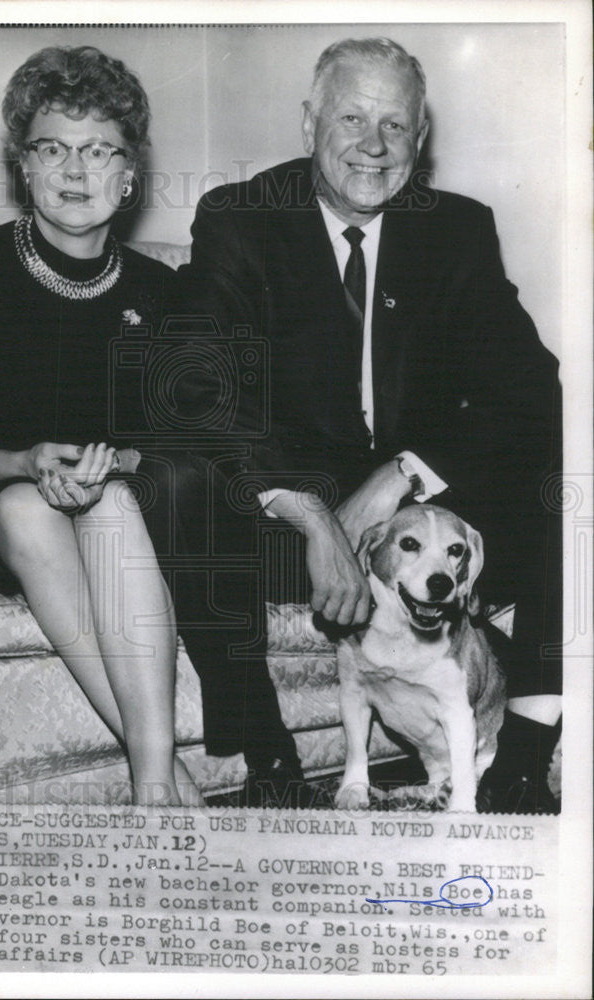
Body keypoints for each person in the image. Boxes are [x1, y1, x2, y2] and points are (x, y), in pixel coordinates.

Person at [163, 37, 561, 811]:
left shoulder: (456, 229)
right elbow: (197, 388)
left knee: (566, 482)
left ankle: (517, 759)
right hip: (293, 525)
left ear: (420, 138)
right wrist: (311, 516)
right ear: (309, 121)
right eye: (351, 118)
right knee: (176, 483)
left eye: (396, 127)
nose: (373, 147)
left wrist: (403, 475)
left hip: (417, 522)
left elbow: (530, 390)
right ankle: (270, 759)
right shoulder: (240, 219)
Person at [0, 44, 203, 807]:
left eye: (99, 148)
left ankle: (154, 789)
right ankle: (164, 780)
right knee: (26, 503)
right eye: (53, 148)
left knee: (106, 503)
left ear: (130, 172)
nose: (76, 170)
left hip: (116, 515)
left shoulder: (162, 291)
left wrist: (118, 462)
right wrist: (26, 459)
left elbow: (192, 445)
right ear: (24, 167)